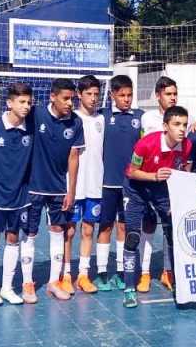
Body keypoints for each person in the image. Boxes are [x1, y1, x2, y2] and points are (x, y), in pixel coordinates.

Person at [121, 106, 192, 308]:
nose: (181, 129)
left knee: (173, 234)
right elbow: (131, 171)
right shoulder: (145, 144)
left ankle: (178, 283)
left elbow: (184, 172)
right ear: (165, 126)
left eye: (184, 125)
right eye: (176, 124)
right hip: (136, 189)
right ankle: (129, 288)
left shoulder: (186, 146)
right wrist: (153, 176)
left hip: (162, 191)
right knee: (133, 237)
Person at [27, 78, 85, 300]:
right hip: (33, 188)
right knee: (30, 234)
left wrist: (71, 191)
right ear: (52, 97)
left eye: (72, 99)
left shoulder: (76, 123)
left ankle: (54, 281)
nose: (70, 103)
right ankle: (27, 283)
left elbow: (74, 158)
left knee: (58, 232)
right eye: (66, 99)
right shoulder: (36, 114)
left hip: (59, 189)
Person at [0, 82, 35, 305]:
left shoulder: (31, 128)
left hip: (20, 194)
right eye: (21, 102)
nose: (26, 106)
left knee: (13, 238)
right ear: (9, 103)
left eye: (29, 102)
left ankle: (7, 287)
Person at [94, 75, 144, 291]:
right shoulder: (103, 116)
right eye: (122, 95)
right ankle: (102, 272)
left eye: (129, 95)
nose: (126, 99)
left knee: (124, 226)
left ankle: (123, 271)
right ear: (112, 95)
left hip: (130, 184)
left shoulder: (141, 117)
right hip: (106, 183)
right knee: (105, 226)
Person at [137, 76, 178, 292]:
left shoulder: (181, 117)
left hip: (171, 181)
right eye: (168, 94)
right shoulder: (147, 118)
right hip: (149, 179)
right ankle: (144, 273)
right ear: (158, 96)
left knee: (170, 227)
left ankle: (167, 272)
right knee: (149, 225)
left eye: (174, 94)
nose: (172, 98)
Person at [68, 75, 106, 294]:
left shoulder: (102, 119)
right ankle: (65, 274)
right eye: (89, 94)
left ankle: (83, 274)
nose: (93, 98)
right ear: (79, 95)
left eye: (96, 94)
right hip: (75, 185)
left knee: (88, 230)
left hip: (94, 184)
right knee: (70, 231)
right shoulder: (71, 119)